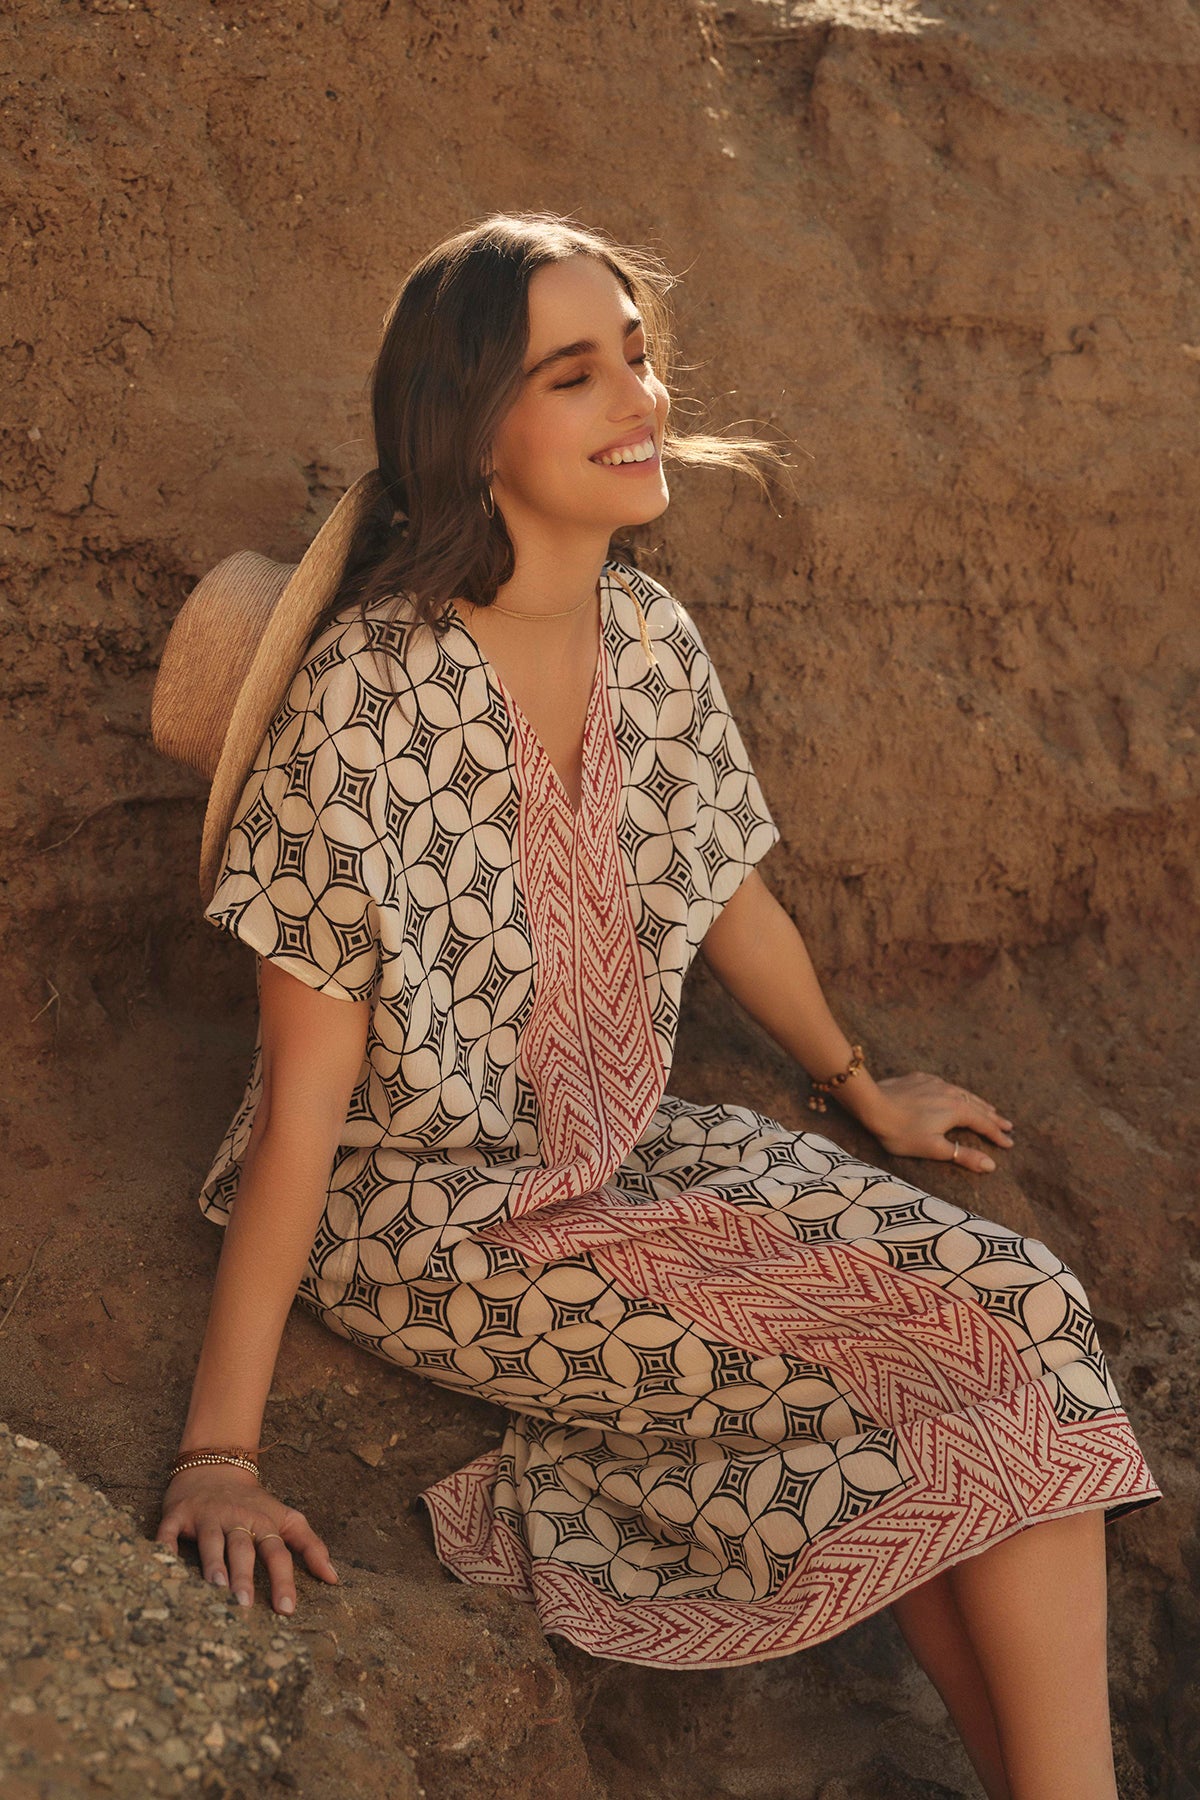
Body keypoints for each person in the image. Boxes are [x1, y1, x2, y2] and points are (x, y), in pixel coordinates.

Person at [152, 212, 1160, 1800]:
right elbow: (302, 1100)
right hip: (428, 1211)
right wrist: (221, 1455)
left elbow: (727, 888)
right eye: (577, 371)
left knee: (1022, 1294)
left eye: (637, 353)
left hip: (615, 1149)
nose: (641, 397)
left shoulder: (646, 632)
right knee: (915, 1362)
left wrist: (859, 1081)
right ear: (476, 430)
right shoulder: (364, 703)